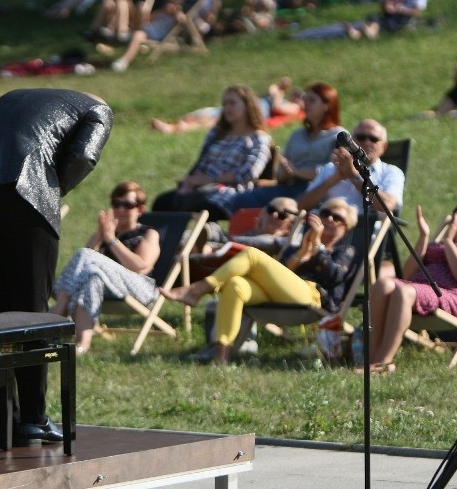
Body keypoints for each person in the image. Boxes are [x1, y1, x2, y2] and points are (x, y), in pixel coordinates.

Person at [0, 88, 113, 445]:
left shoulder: (14, 95)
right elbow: (83, 155)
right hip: (26, 195)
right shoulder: (98, 109)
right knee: (32, 311)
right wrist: (51, 190)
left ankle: (7, 417)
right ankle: (33, 419)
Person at [162, 197, 357, 363]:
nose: (328, 219)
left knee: (252, 255)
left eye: (337, 218)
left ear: (346, 229)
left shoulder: (345, 251)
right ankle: (221, 353)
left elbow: (335, 277)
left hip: (314, 298)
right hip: (281, 294)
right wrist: (302, 252)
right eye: (324, 213)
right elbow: (283, 271)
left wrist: (318, 249)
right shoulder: (297, 245)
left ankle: (198, 289)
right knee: (235, 284)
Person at [367, 196, 457, 373]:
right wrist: (424, 238)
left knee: (404, 292)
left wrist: (448, 242)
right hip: (418, 289)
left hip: (452, 297)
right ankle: (371, 359)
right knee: (382, 284)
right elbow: (407, 275)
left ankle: (384, 363)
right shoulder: (437, 246)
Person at [50, 181, 161, 355]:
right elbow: (81, 267)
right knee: (91, 275)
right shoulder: (107, 232)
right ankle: (82, 345)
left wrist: (112, 240)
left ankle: (58, 311)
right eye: (116, 204)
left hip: (141, 290)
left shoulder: (148, 233)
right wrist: (100, 235)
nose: (121, 210)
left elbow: (142, 267)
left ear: (140, 210)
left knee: (86, 256)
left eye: (128, 205)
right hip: (109, 287)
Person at [210, 82, 344, 217]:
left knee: (288, 208)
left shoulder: (337, 136)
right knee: (242, 200)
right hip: (288, 186)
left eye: (312, 100)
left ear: (327, 106)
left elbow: (333, 170)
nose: (305, 104)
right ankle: (247, 234)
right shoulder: (297, 135)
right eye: (305, 100)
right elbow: (281, 171)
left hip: (316, 190)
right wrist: (284, 173)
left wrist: (297, 172)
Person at [152, 85, 273, 220]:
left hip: (230, 192)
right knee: (162, 202)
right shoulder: (217, 133)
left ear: (247, 105)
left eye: (232, 103)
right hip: (200, 188)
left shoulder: (258, 138)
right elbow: (201, 162)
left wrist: (211, 180)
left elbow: (250, 173)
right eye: (225, 104)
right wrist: (189, 181)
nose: (227, 108)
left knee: (193, 204)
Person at [296, 118, 404, 215]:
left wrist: (354, 176)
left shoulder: (392, 172)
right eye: (361, 137)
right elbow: (301, 206)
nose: (366, 142)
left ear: (384, 147)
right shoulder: (331, 168)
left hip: (365, 232)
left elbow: (387, 206)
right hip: (328, 228)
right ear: (351, 141)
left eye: (373, 139)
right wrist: (334, 179)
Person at [151, 77, 303, 134]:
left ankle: (173, 129)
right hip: (245, 103)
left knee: (217, 120)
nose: (296, 95)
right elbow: (255, 96)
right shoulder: (275, 97)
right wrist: (276, 89)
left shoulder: (295, 108)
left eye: (300, 96)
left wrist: (278, 93)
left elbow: (277, 108)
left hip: (253, 110)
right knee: (206, 114)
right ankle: (175, 125)